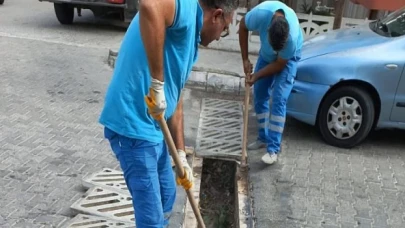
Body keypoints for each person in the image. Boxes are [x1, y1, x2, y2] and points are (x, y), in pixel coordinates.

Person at [98, 0, 238, 226]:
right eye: (225, 28)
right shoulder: (187, 7)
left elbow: (175, 96)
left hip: (154, 129)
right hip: (133, 125)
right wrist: (157, 82)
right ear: (216, 16)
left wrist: (181, 154)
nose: (220, 36)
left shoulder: (191, 38)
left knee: (166, 195)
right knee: (151, 218)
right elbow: (150, 5)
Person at [238, 1, 303, 165]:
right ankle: (263, 138)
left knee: (279, 98)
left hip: (287, 60)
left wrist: (257, 75)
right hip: (265, 56)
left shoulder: (291, 39)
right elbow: (242, 27)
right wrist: (245, 59)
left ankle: (273, 149)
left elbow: (280, 64)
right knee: (259, 95)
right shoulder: (260, 14)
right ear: (267, 30)